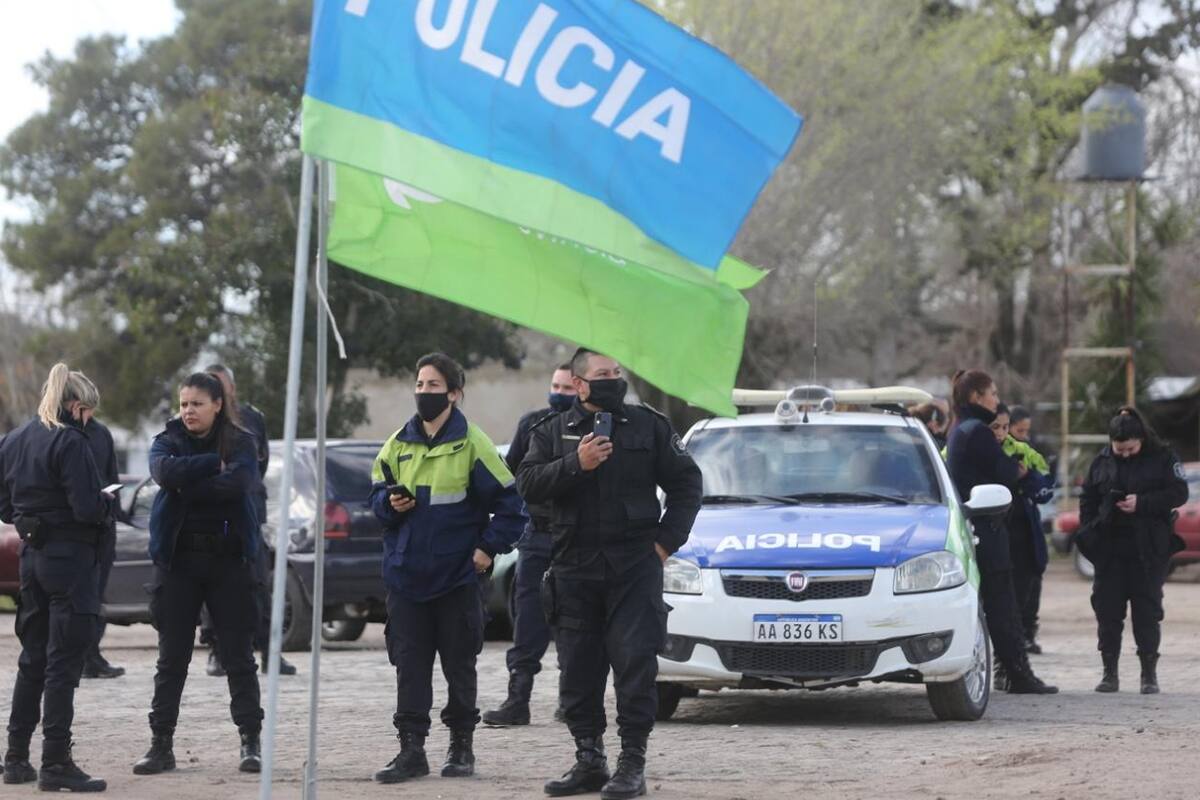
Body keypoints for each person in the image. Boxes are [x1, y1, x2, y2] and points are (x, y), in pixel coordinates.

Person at [517, 347, 702, 800]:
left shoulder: (648, 425)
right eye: (603, 374)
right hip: (574, 568)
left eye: (617, 373)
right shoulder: (551, 431)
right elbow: (527, 484)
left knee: (635, 667)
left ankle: (631, 764)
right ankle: (589, 759)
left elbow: (686, 483)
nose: (614, 380)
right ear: (579, 384)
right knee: (577, 671)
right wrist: (575, 464)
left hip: (634, 569)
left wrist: (664, 543)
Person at [370, 353, 527, 784]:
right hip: (406, 578)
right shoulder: (398, 443)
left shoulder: (473, 444)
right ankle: (411, 751)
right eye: (419, 384)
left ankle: (461, 748)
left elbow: (513, 509)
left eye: (433, 385)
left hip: (456, 578)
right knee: (410, 666)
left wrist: (487, 550)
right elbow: (377, 498)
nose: (424, 392)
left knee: (460, 665)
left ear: (454, 394)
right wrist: (390, 504)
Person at [133, 372, 265, 777]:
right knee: (172, 659)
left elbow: (240, 482)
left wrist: (188, 483)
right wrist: (210, 466)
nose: (188, 411)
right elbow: (163, 473)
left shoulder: (240, 440)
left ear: (218, 404)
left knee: (239, 657)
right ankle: (160, 744)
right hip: (178, 565)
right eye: (184, 403)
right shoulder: (167, 439)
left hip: (228, 564)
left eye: (196, 404)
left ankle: (251, 740)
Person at [0, 363, 111, 792]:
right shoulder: (71, 442)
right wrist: (104, 507)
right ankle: (56, 761)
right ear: (76, 406)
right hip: (71, 560)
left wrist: (33, 517)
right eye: (88, 412)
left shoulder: (15, 440)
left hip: (32, 557)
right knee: (64, 664)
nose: (90, 421)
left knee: (32, 660)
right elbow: (86, 507)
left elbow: (5, 508)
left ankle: (15, 757)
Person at [944, 369, 1056, 695]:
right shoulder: (976, 432)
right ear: (976, 397)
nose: (996, 398)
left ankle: (1010, 672)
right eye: (991, 393)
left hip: (975, 528)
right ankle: (1019, 675)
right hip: (985, 529)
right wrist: (1017, 469)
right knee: (1002, 606)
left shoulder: (961, 428)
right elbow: (1006, 470)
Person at [483, 363, 576, 727]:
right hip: (536, 535)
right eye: (554, 385)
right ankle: (517, 699)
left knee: (574, 622)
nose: (559, 393)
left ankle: (572, 700)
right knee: (528, 619)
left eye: (567, 387)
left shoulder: (596, 426)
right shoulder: (533, 424)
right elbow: (511, 475)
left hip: (576, 538)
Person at [1078, 407, 1187, 694]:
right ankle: (1109, 673)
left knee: (1147, 613)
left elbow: (1179, 493)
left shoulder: (1162, 457)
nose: (1124, 454)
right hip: (1110, 550)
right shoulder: (1101, 462)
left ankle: (1148, 674)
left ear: (1141, 439)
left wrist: (1143, 503)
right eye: (1119, 449)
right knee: (1107, 612)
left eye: (1130, 449)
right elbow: (1087, 497)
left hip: (1148, 549)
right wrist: (1090, 527)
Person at [199, 365, 296, 678]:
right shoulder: (200, 420)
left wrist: (243, 485)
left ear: (232, 388)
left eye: (221, 385)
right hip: (215, 515)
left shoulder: (251, 418)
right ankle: (217, 651)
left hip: (249, 513)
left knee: (257, 582)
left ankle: (270, 651)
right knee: (215, 583)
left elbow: (261, 461)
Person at [80, 413, 126, 680]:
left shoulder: (101, 433)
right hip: (75, 530)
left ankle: (91, 655)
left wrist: (114, 517)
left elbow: (112, 474)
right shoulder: (59, 434)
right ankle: (77, 657)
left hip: (103, 528)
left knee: (96, 598)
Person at [1006, 405, 1052, 654]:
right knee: (1018, 587)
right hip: (1012, 529)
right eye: (1018, 430)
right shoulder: (1003, 451)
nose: (1023, 435)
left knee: (1033, 582)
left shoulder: (1031, 453)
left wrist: (1029, 478)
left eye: (1026, 430)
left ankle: (1029, 633)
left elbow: (1044, 485)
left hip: (1030, 526)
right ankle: (1018, 635)